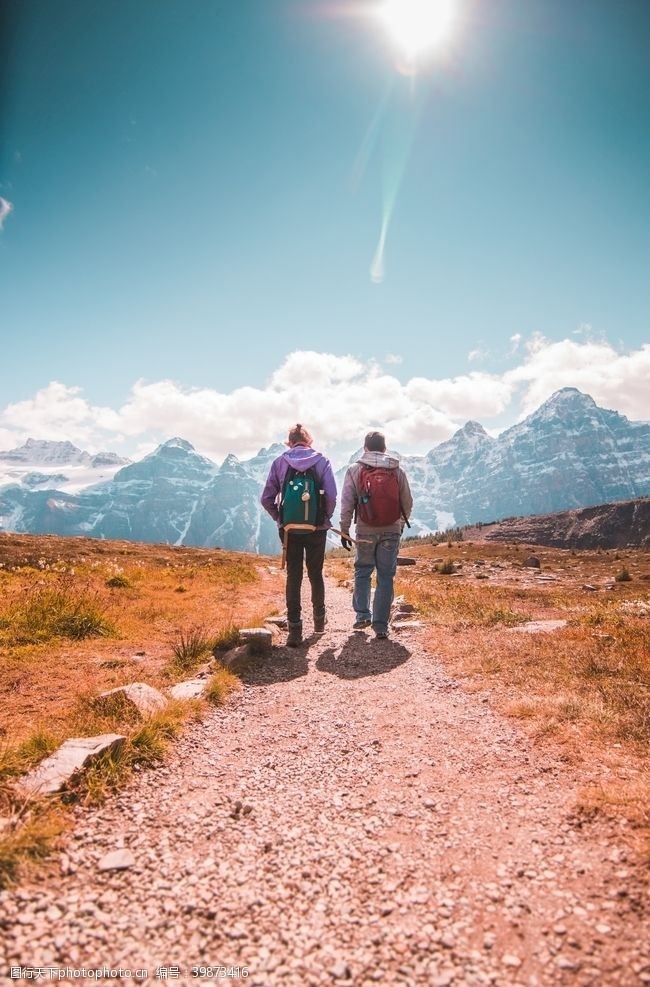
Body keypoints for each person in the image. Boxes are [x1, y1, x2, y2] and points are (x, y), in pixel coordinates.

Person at [261, 424, 337, 647]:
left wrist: (280, 519)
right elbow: (331, 496)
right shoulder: (322, 461)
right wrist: (323, 518)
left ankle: (294, 630)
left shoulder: (279, 462)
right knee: (316, 573)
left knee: (294, 575)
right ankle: (319, 622)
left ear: (290, 442)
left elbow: (266, 498)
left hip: (290, 530)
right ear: (309, 441)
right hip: (317, 529)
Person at [339, 430, 413, 640]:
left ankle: (363, 615)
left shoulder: (355, 469)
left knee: (362, 570)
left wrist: (344, 529)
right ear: (384, 448)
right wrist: (397, 526)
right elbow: (407, 502)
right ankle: (381, 626)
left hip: (365, 529)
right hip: (390, 530)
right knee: (385, 576)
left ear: (365, 448)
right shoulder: (397, 470)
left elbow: (347, 502)